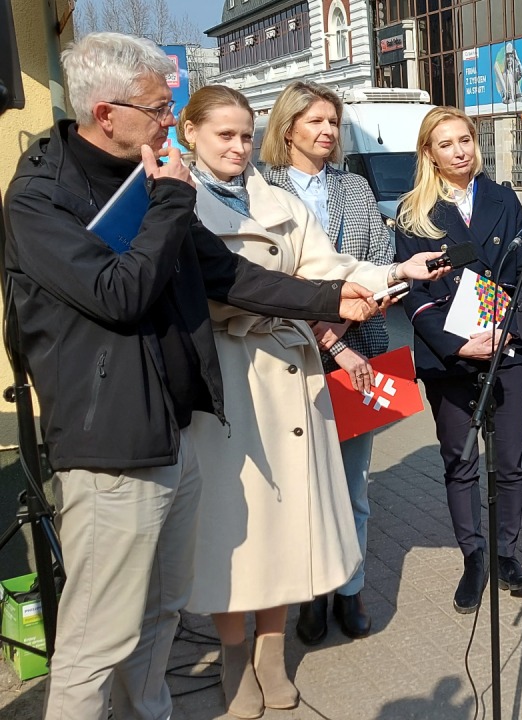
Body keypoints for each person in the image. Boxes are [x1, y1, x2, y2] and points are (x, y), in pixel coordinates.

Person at [2, 33, 381, 720]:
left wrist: (334, 299)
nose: (167, 115)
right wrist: (174, 201)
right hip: (110, 442)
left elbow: (227, 272)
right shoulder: (42, 197)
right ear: (104, 110)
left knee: (161, 616)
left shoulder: (143, 175)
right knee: (99, 637)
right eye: (156, 104)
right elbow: (119, 293)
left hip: (173, 428)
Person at [177, 84, 448, 719]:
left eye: (244, 135)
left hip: (292, 380)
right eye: (225, 135)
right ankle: (234, 658)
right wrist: (311, 299)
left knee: (283, 523)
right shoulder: (176, 203)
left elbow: (330, 266)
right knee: (231, 528)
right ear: (190, 133)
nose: (238, 147)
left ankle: (272, 653)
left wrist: (397, 273)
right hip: (226, 382)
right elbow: (226, 288)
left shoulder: (278, 201)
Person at [261, 80, 391, 643]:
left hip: (355, 354)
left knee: (354, 484)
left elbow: (381, 257)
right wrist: (319, 313)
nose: (328, 132)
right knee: (301, 486)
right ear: (287, 127)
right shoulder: (259, 188)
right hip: (283, 357)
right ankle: (310, 594)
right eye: (316, 121)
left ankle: (350, 588)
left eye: (334, 123)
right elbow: (264, 278)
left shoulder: (355, 188)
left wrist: (344, 316)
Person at [395, 106, 522, 614]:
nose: (460, 151)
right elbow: (414, 295)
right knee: (460, 460)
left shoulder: (504, 199)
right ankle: (473, 556)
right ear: (429, 153)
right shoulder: (415, 213)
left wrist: (507, 330)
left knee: (512, 459)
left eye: (466, 140)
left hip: (504, 348)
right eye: (447, 143)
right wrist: (456, 345)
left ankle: (505, 553)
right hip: (448, 356)